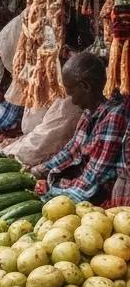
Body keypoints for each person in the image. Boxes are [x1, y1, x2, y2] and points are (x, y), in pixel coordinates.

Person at [32, 52, 130, 204]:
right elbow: (71, 150)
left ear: (85, 86)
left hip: (107, 202)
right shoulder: (89, 112)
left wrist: (51, 191)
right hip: (88, 192)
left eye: (69, 91)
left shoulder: (115, 117)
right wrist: (40, 170)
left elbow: (92, 179)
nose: (69, 98)